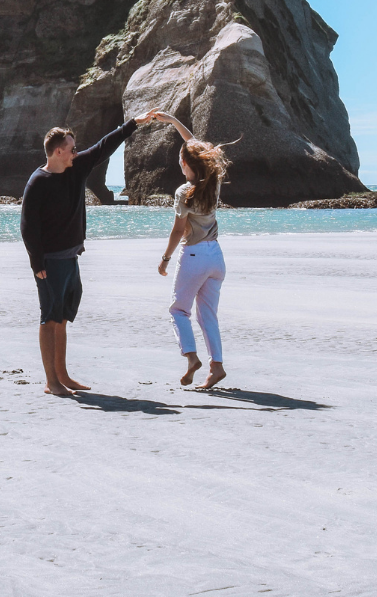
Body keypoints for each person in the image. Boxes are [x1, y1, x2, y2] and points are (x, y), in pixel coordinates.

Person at [20, 112, 158, 396]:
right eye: (71, 148)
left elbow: (104, 146)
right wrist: (36, 262)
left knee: (62, 318)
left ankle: (63, 375)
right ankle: (51, 381)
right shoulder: (38, 183)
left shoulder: (76, 168)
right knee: (49, 317)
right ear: (58, 152)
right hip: (50, 262)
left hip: (71, 257)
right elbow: (28, 227)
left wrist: (133, 123)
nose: (76, 152)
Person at [153, 112, 231, 390]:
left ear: (185, 163)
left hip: (194, 255)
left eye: (180, 161)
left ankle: (191, 358)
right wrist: (173, 121)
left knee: (178, 310)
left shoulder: (183, 191)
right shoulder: (213, 182)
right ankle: (217, 366)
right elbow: (197, 144)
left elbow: (177, 231)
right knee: (207, 314)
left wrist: (164, 259)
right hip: (216, 257)